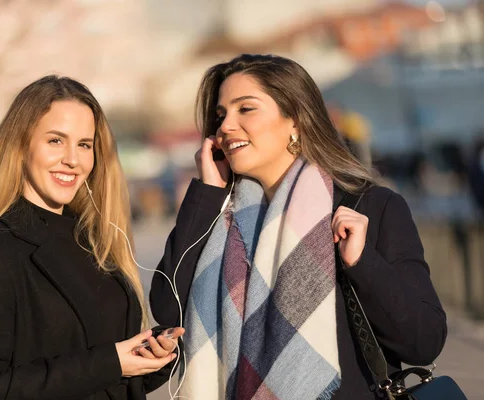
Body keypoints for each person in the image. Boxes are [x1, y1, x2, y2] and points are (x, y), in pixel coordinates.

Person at [150, 54, 447, 399]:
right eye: (220, 115)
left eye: (245, 109)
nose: (225, 127)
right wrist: (206, 193)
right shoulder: (220, 220)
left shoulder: (367, 207)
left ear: (296, 120)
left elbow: (424, 342)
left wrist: (362, 262)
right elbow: (169, 308)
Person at [0, 75, 183, 400]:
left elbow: (113, 379)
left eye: (84, 145)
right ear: (20, 146)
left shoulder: (94, 242)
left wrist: (150, 355)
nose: (73, 160)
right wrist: (111, 363)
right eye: (56, 140)